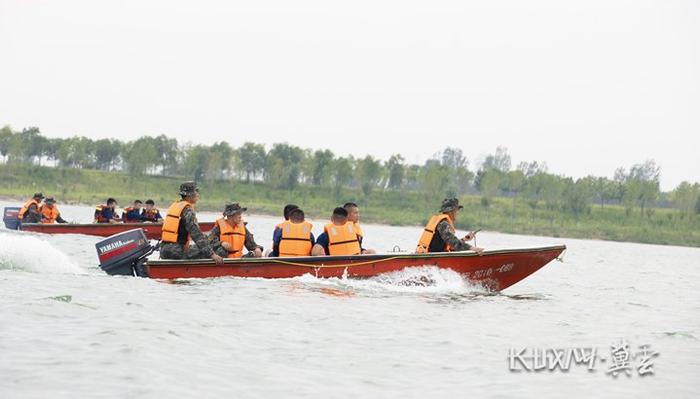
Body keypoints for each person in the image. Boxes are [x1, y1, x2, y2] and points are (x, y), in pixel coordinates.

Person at [160, 182, 224, 264]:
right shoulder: (188, 210)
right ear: (190, 195)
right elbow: (196, 235)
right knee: (214, 248)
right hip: (177, 252)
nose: (198, 195)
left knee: (201, 246)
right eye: (196, 192)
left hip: (164, 250)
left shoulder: (175, 206)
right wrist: (212, 255)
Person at [415, 198, 484, 255]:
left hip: (431, 255)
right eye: (457, 210)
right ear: (451, 211)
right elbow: (452, 241)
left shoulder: (443, 222)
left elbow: (451, 244)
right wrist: (472, 248)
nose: (457, 213)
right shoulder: (443, 223)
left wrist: (465, 239)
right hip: (430, 257)